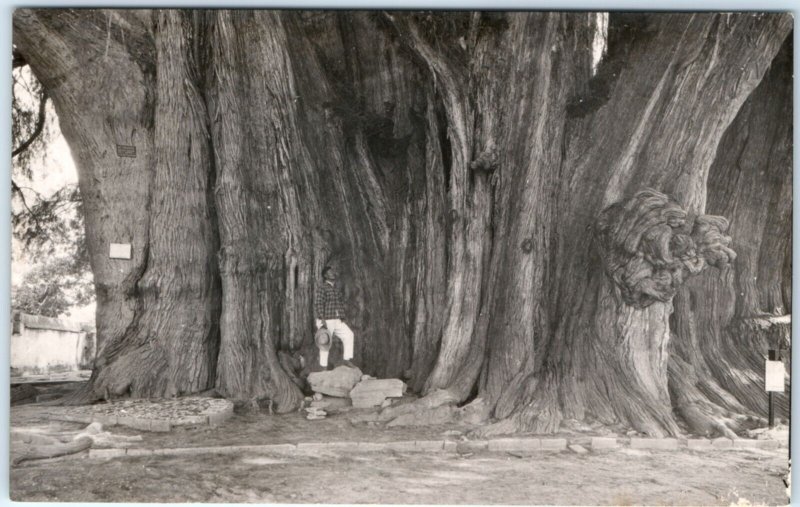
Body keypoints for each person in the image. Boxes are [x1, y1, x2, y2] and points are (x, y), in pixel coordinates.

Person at [314, 266, 356, 369]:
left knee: (349, 335)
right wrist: (322, 320)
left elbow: (339, 304)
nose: (333, 273)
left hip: (337, 319)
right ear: (325, 276)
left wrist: (341, 316)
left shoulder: (336, 289)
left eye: (333, 271)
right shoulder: (322, 288)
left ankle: (347, 360)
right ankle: (323, 367)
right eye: (330, 272)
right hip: (326, 320)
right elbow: (319, 303)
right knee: (325, 342)